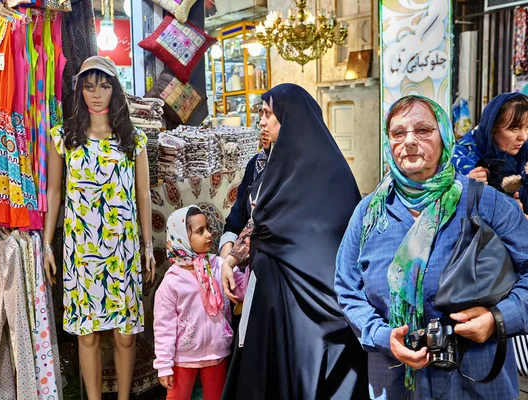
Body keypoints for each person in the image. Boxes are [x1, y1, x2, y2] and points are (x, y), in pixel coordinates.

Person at [335, 95, 528, 399]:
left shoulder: (486, 203)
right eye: (398, 133)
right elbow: (347, 288)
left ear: (445, 137)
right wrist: (382, 336)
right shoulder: (370, 212)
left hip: (475, 382)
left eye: (423, 130)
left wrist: (498, 319)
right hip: (396, 384)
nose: (409, 141)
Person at [221, 83, 368, 399]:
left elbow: (337, 241)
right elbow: (252, 223)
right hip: (274, 303)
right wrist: (230, 256)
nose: (261, 121)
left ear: (291, 120)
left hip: (320, 310)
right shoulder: (266, 168)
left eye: (268, 114)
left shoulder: (333, 174)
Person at [44, 56, 155, 400]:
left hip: (122, 250)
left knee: (125, 335)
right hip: (81, 250)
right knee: (87, 334)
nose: (97, 94)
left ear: (114, 90)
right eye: (90, 86)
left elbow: (142, 195)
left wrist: (148, 247)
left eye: (104, 86)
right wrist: (48, 244)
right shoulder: (63, 138)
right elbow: (54, 192)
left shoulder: (132, 140)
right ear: (80, 90)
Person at [154, 206, 248, 400]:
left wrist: (253, 267)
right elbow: (164, 327)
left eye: (207, 229)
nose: (208, 235)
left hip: (217, 352)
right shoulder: (172, 281)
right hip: (183, 357)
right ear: (181, 238)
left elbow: (241, 289)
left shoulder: (220, 266)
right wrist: (164, 365)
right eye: (200, 231)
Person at [452, 92, 528, 212]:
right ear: (492, 128)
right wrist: (465, 188)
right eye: (514, 128)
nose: (523, 137)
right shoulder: (461, 158)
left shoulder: (524, 151)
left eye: (527, 128)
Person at [219, 127, 273, 259]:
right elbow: (238, 216)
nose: (262, 125)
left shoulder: (298, 169)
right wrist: (228, 244)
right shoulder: (257, 164)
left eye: (269, 115)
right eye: (262, 116)